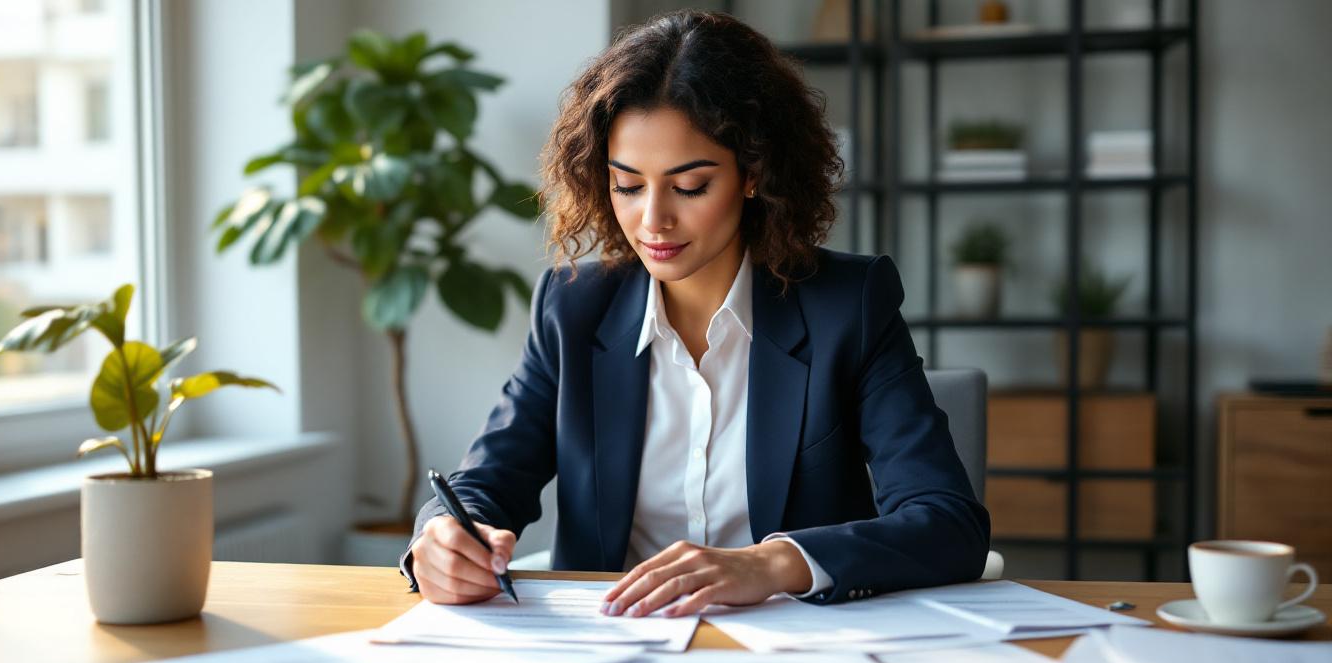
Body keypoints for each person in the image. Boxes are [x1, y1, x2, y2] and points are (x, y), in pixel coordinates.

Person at [401, 10, 989, 617]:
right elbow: (484, 484)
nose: (653, 220)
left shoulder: (848, 305)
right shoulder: (573, 308)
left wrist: (768, 563)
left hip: (797, 654)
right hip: (610, 648)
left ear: (753, 174)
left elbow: (948, 522)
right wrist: (442, 537)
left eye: (689, 186)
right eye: (627, 185)